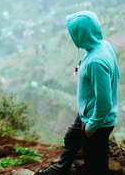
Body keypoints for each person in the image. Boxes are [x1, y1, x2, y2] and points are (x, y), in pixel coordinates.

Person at [36, 11, 120, 175]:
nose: (72, 37)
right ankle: (61, 169)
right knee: (72, 137)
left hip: (97, 121)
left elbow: (104, 102)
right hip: (87, 112)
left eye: (74, 33)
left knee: (95, 164)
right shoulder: (104, 45)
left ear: (82, 35)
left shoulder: (96, 61)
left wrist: (92, 127)